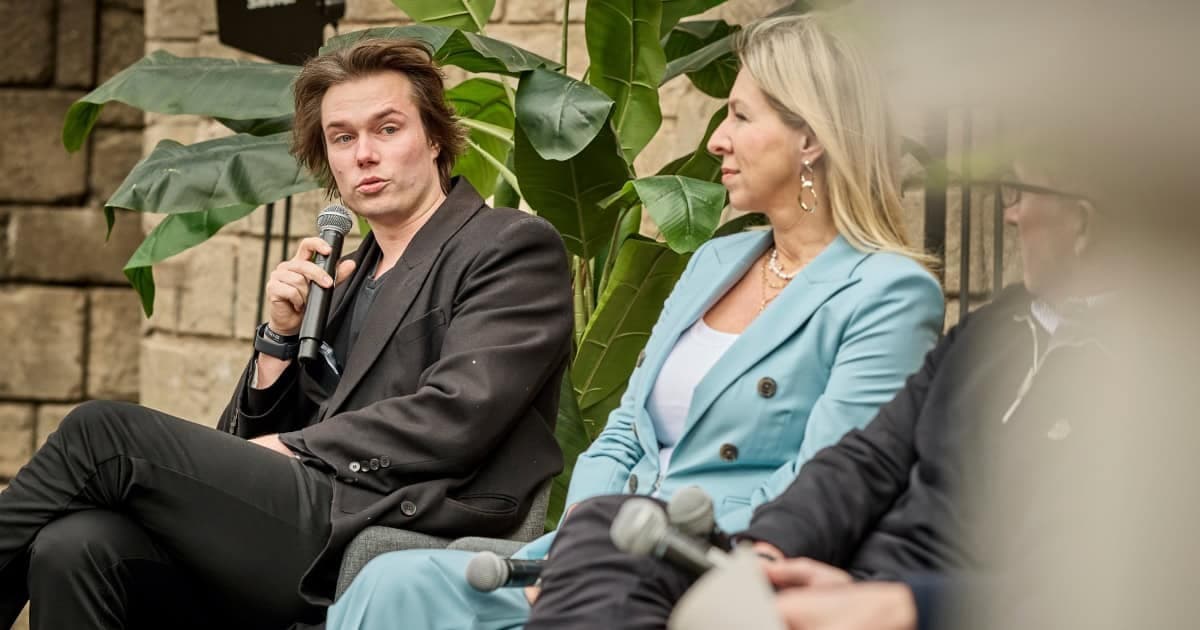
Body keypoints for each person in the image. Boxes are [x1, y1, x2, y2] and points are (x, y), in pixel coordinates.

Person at [327, 13, 945, 630]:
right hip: (602, 545)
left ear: (809, 138)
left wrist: (627, 558)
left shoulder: (889, 292)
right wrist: (579, 552)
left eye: (740, 116)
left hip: (718, 564)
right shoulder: (716, 259)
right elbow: (625, 430)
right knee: (392, 580)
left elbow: (827, 481)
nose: (716, 141)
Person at [0, 39, 574, 630]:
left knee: (104, 431)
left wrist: (301, 448)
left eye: (388, 129)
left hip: (400, 523)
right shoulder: (343, 279)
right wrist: (278, 342)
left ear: (434, 137)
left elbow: (458, 416)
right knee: (76, 543)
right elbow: (250, 445)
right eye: (343, 138)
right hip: (304, 519)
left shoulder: (506, 245)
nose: (364, 155)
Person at [523, 151, 1120, 630]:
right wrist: (764, 551)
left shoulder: (1154, 375)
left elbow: (1120, 580)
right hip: (847, 582)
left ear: (1084, 222)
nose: (1010, 215)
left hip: (913, 603)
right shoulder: (994, 330)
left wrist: (908, 603)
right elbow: (864, 460)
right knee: (605, 535)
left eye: (1018, 193)